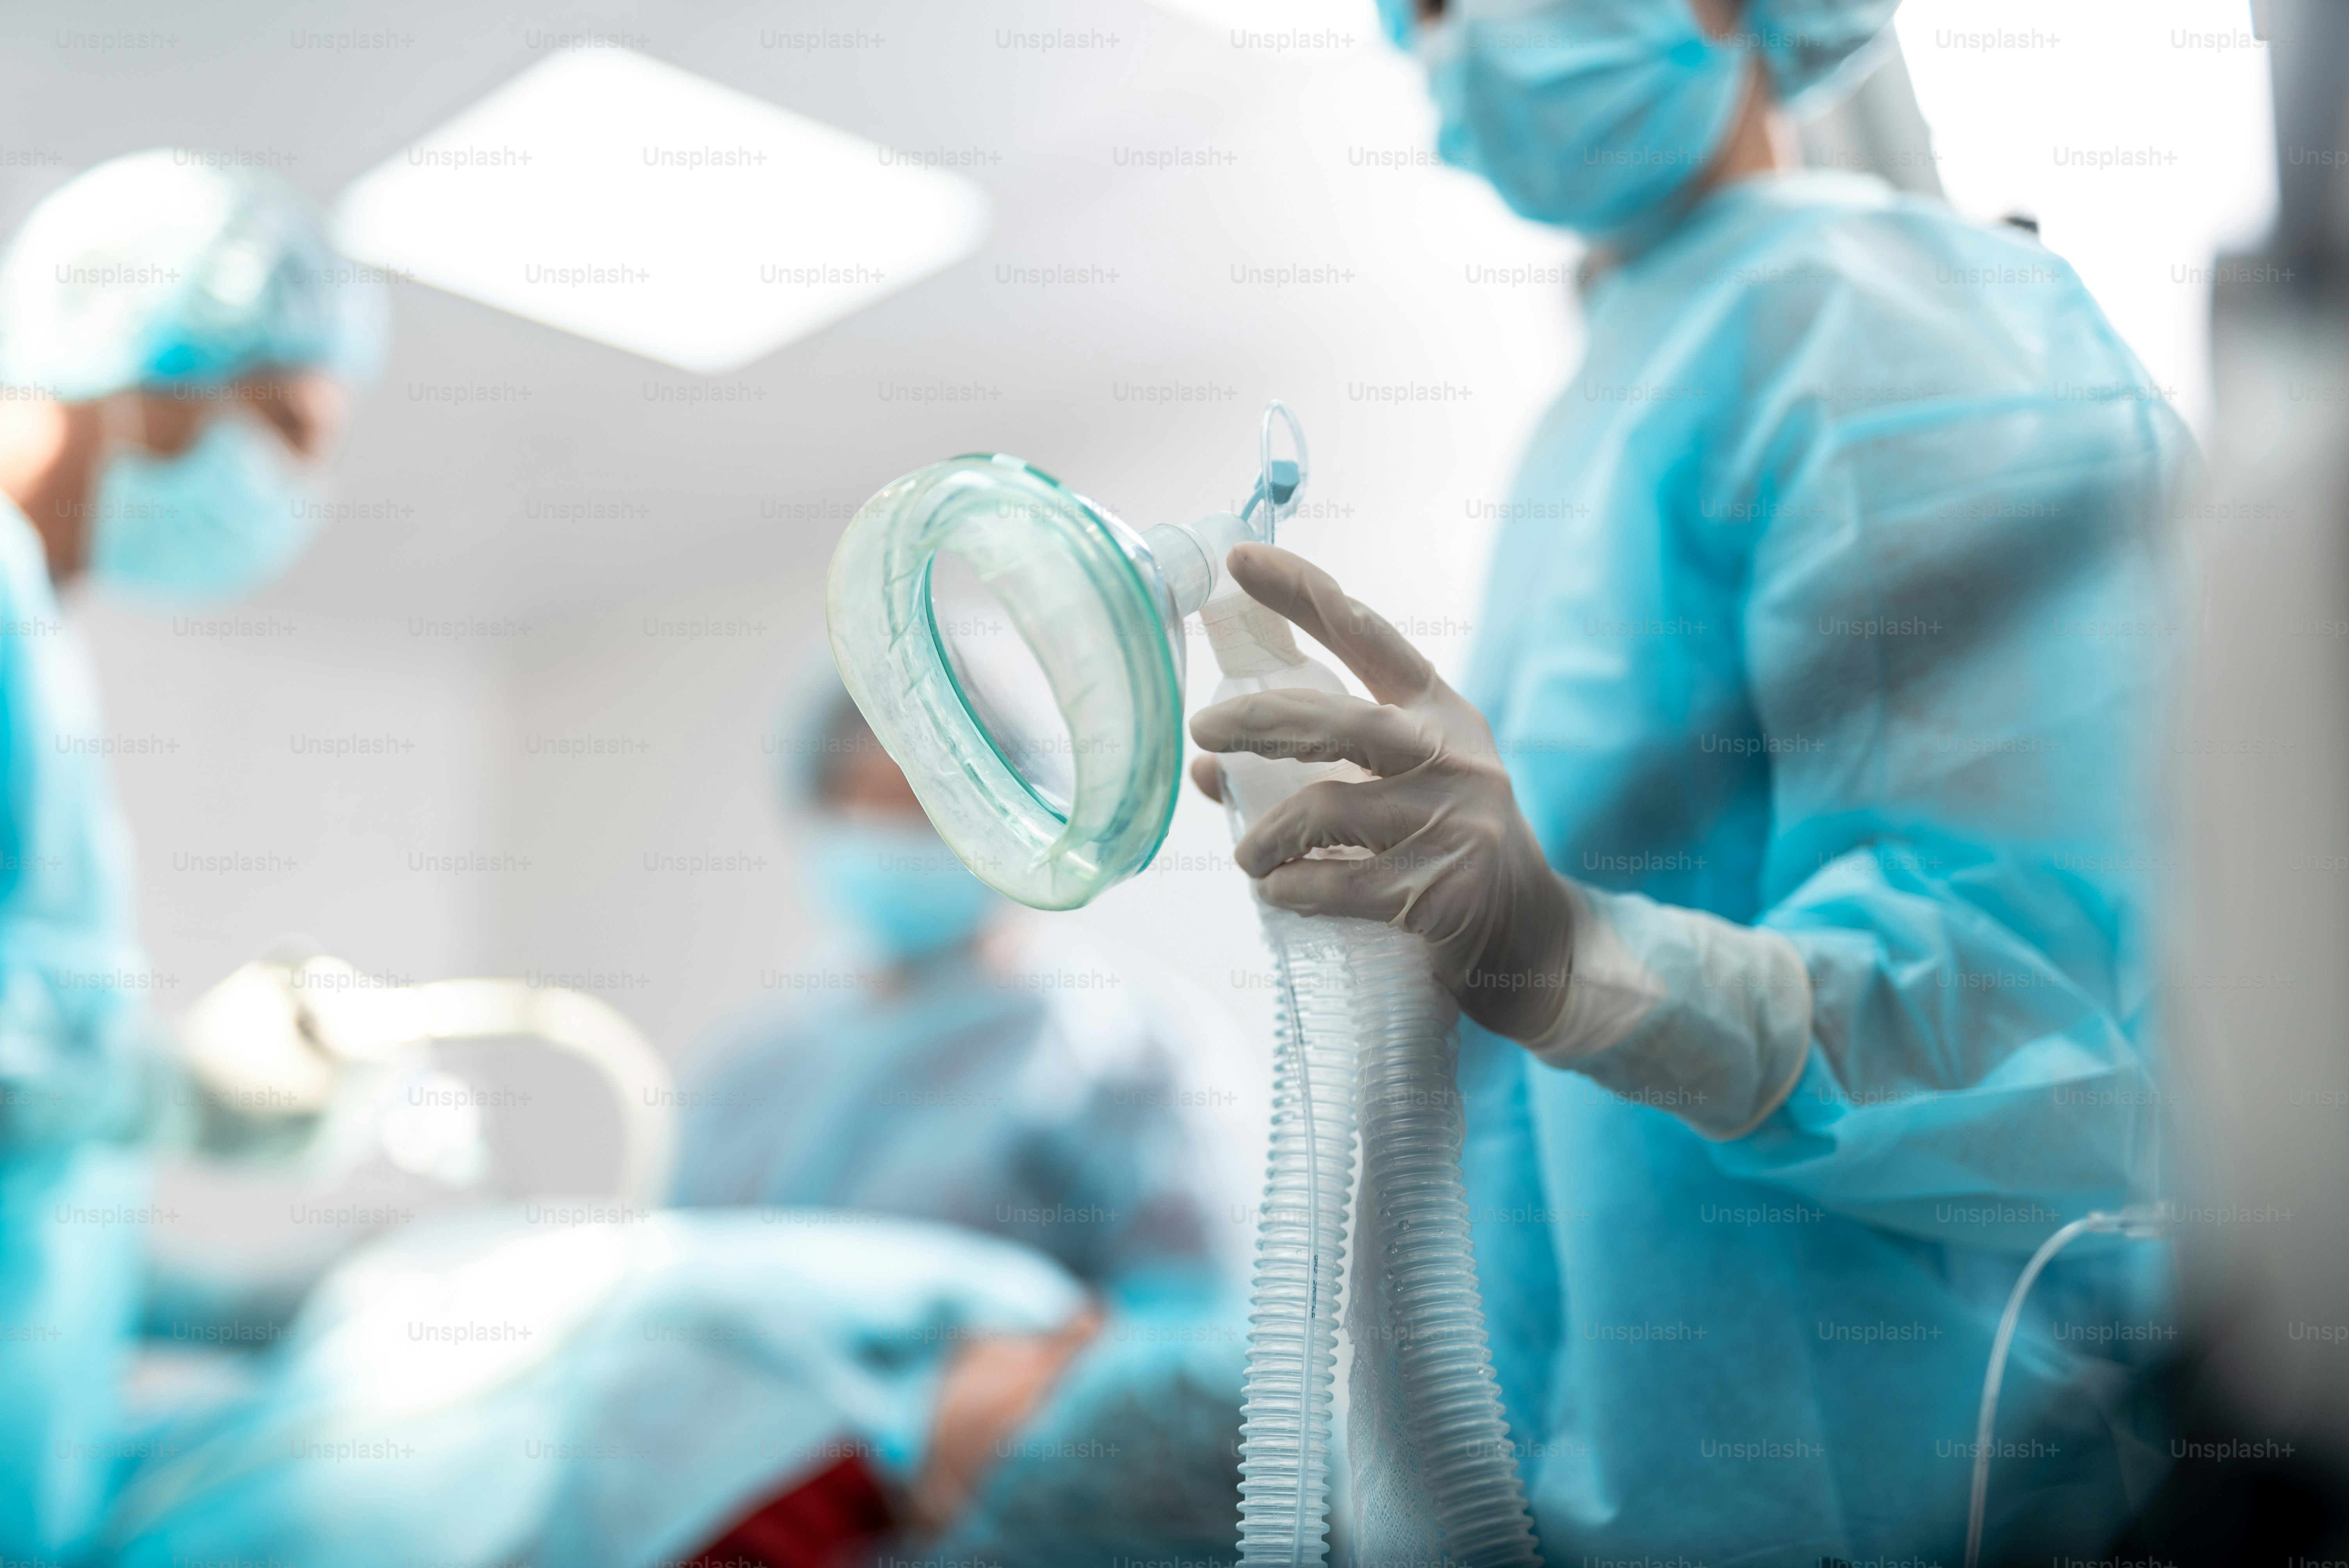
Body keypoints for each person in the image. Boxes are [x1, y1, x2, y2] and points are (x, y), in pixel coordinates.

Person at [1186, 0, 2191, 1561]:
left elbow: (2063, 1014)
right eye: (1419, 12)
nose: (1446, 41)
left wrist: (1582, 959)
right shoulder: (1594, 419)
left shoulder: (1895, 318)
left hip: (1964, 1480)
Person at [0, 148, 380, 1561]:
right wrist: (165, 1090)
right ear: (148, 364)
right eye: (282, 422)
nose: (294, 487)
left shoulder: (38, 654)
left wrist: (218, 1304)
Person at [674, 683, 1256, 1308]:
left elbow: (1196, 1339)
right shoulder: (749, 1074)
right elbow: (669, 1319)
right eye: (861, 801)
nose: (888, 831)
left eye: (928, 799)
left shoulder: (1130, 1054)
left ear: (1016, 810)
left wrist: (1027, 1383)